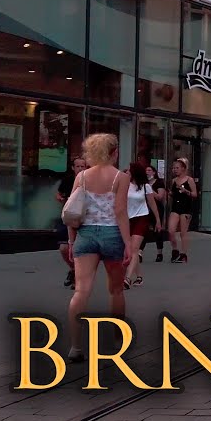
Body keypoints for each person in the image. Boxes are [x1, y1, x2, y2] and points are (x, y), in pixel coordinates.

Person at [65, 134, 132, 362]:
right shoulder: (120, 178)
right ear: (114, 152)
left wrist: (73, 241)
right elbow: (121, 212)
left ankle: (75, 347)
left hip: (86, 235)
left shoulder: (81, 176)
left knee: (81, 291)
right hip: (112, 234)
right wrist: (129, 244)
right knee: (116, 290)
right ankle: (116, 340)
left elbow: (71, 211)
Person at [124, 162, 161, 288]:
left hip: (142, 217)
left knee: (134, 249)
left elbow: (152, 204)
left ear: (135, 173)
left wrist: (158, 220)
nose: (127, 172)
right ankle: (139, 277)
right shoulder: (124, 185)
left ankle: (127, 278)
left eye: (129, 171)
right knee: (131, 250)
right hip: (128, 219)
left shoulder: (145, 186)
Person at [56, 157, 88, 289]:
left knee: (79, 249)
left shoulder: (90, 180)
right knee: (64, 248)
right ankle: (73, 269)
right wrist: (63, 199)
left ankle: (78, 278)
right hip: (70, 216)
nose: (80, 169)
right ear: (73, 168)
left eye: (83, 166)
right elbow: (58, 194)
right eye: (78, 166)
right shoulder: (68, 180)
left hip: (85, 218)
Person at [167, 158, 198, 263]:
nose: (175, 170)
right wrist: (171, 193)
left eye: (177, 168)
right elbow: (172, 194)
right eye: (174, 168)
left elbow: (195, 194)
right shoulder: (173, 181)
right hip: (176, 207)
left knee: (183, 232)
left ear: (183, 169)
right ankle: (175, 249)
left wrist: (186, 191)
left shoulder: (189, 180)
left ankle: (183, 254)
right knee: (171, 230)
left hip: (186, 208)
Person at [139, 163, 167, 263]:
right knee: (144, 230)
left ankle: (159, 253)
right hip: (145, 209)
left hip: (157, 209)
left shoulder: (158, 183)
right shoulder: (143, 183)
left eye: (149, 170)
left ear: (154, 172)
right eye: (146, 171)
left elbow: (160, 197)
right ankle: (140, 252)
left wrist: (150, 189)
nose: (147, 172)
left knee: (157, 231)